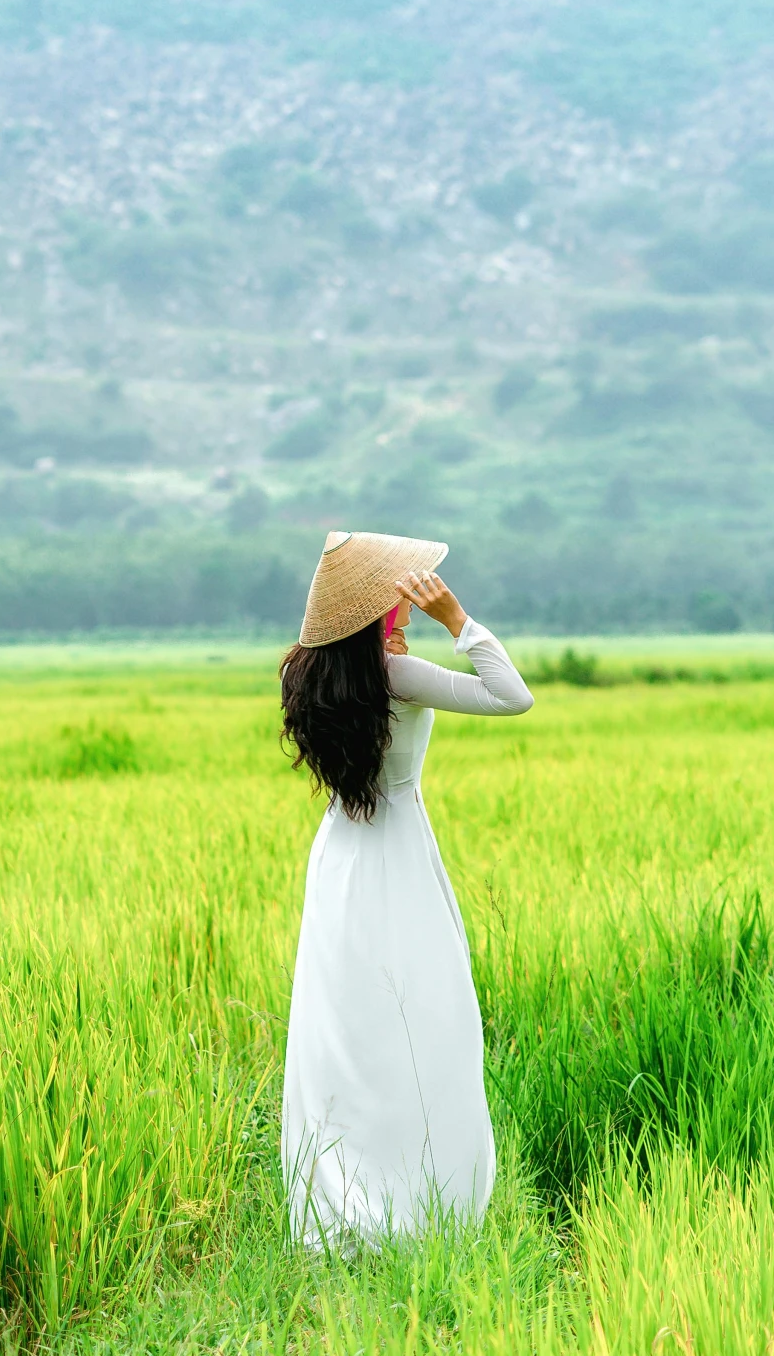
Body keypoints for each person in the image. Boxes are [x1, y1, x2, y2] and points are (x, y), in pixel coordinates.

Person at [277, 530, 536, 1246]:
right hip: (396, 853)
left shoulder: (303, 674)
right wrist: (460, 621)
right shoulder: (400, 676)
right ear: (376, 608)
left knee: (346, 1028)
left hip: (339, 859)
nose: (411, 601)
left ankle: (342, 1197)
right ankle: (424, 1198)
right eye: (402, 592)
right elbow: (511, 698)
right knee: (424, 1022)